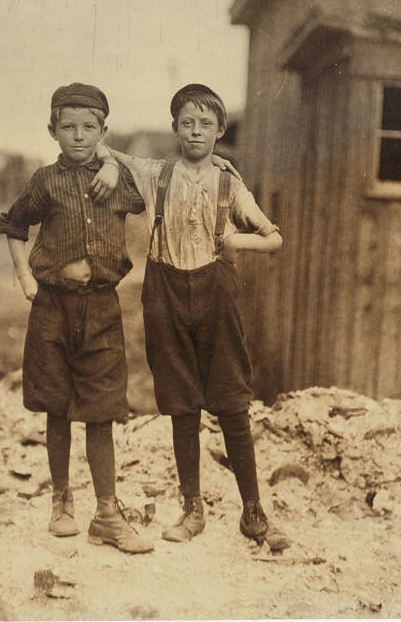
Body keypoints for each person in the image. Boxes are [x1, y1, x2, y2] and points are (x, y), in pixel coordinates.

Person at [94, 83, 291, 551]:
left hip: (215, 295)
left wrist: (235, 241)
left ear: (221, 130)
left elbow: (273, 237)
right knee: (182, 405)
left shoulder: (229, 182)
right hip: (164, 294)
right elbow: (106, 149)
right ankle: (192, 509)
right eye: (186, 122)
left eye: (205, 123)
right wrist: (104, 161)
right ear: (175, 128)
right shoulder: (155, 174)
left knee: (232, 404)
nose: (195, 131)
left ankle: (254, 512)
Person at [0, 83, 152, 554]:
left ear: (103, 131)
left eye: (90, 128)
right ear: (53, 130)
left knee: (102, 412)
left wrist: (110, 162)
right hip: (52, 309)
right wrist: (27, 276)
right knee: (58, 408)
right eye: (69, 127)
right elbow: (13, 224)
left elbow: (145, 195)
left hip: (103, 308)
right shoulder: (45, 181)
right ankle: (61, 501)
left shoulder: (118, 180)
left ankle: (107, 514)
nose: (79, 136)